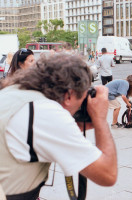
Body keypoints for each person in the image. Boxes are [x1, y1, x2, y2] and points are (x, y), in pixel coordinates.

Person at [0, 54, 117, 198]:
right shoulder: (46, 113)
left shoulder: (15, 91)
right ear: (69, 96)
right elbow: (108, 174)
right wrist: (100, 119)